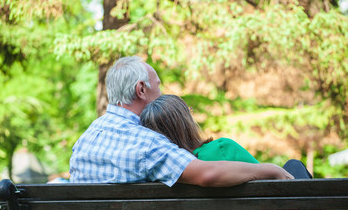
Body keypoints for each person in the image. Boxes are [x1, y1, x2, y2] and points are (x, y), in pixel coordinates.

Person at [69, 56, 293, 190]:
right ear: (141, 89)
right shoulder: (145, 143)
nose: (162, 93)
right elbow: (206, 174)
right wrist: (269, 170)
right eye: (159, 87)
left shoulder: (85, 139)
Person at [140, 94, 321, 210]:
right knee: (294, 166)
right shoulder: (221, 149)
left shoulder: (159, 174)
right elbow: (274, 187)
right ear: (186, 122)